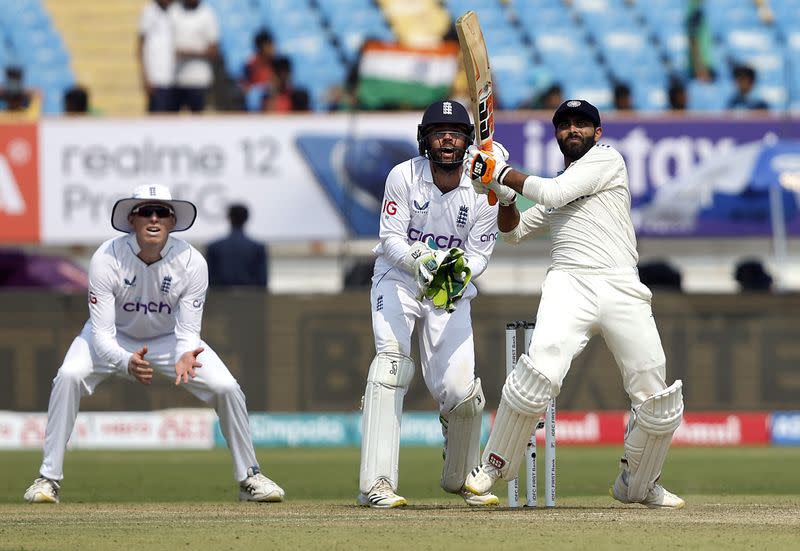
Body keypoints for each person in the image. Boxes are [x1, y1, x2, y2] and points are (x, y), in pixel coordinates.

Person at [462, 99, 685, 508]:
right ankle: (492, 466)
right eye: (565, 125)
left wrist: (500, 173)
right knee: (538, 374)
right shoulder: (556, 187)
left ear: (597, 133)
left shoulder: (607, 161)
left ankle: (639, 483)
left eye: (582, 124)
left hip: (621, 284)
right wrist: (503, 195)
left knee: (658, 398)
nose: (573, 130)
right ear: (557, 135)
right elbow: (512, 233)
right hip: (569, 283)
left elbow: (554, 190)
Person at [23, 184, 284, 504]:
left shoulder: (191, 262)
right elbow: (102, 333)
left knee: (227, 387)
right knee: (68, 376)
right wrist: (124, 361)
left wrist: (187, 354)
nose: (154, 218)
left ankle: (249, 477)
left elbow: (188, 331)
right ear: (132, 219)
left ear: (172, 222)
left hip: (168, 339)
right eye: (146, 211)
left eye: (162, 212)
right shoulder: (107, 257)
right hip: (111, 336)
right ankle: (48, 478)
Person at [357, 100, 500, 508]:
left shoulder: (483, 190)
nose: (448, 139)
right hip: (399, 278)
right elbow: (391, 238)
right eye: (439, 132)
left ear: (468, 141)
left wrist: (455, 271)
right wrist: (424, 260)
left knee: (461, 392)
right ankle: (377, 485)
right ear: (425, 139)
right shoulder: (404, 175)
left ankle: (460, 478)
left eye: (455, 132)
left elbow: (479, 255)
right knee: (391, 365)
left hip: (449, 288)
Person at [170, 0, 220, 112]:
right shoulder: (174, 11)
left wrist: (188, 53)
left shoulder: (207, 13)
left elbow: (214, 50)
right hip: (176, 79)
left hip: (199, 80)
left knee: (199, 123)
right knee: (171, 124)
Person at [206, 203, 267, 288]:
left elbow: (209, 280)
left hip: (221, 299)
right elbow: (262, 282)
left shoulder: (214, 247)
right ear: (246, 218)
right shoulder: (258, 248)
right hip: (250, 299)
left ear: (228, 218)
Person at [137, 0, 176, 112]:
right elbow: (140, 46)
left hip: (174, 78)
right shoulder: (149, 11)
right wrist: (145, 77)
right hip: (156, 78)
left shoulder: (175, 11)